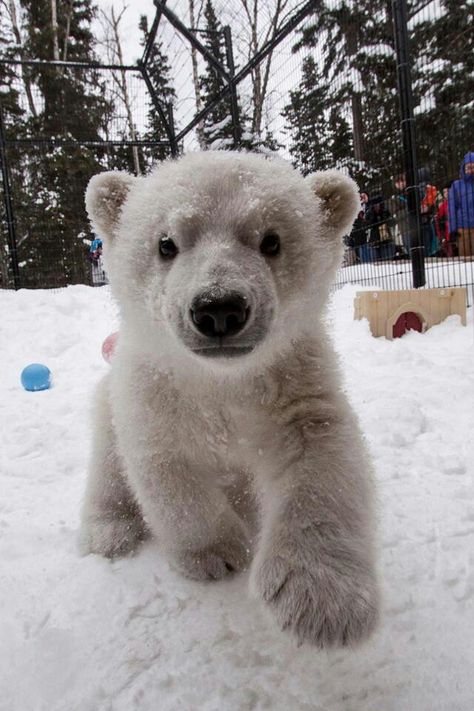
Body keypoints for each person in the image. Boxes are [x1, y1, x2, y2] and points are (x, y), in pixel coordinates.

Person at [448, 152, 474, 257]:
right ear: (464, 168)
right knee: (465, 259)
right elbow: (452, 209)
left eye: (473, 167)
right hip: (462, 229)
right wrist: (452, 229)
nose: (470, 170)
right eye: (468, 167)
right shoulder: (456, 185)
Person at [435, 183, 457, 257]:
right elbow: (438, 220)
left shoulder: (458, 202)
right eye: (444, 192)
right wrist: (441, 236)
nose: (446, 193)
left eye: (448, 191)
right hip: (448, 238)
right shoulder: (443, 205)